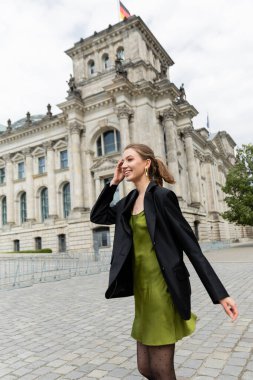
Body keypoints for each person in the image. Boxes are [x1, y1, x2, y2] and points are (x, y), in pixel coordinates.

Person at [90, 143, 238, 380]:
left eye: (129, 160)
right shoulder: (127, 202)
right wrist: (114, 182)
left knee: (160, 369)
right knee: (145, 368)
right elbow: (97, 215)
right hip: (142, 291)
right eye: (122, 161)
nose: (124, 165)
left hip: (163, 288)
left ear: (146, 163)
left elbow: (192, 247)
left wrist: (220, 294)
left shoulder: (162, 197)